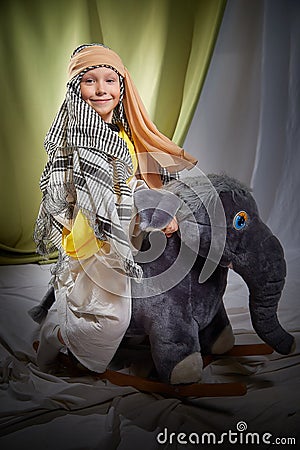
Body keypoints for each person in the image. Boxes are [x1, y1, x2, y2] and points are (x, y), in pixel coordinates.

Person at [33, 43, 197, 373]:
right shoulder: (78, 132)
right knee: (111, 322)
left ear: (122, 87)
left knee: (133, 302)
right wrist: (153, 204)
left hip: (125, 232)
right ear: (75, 87)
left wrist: (161, 198)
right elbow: (100, 188)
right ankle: (57, 333)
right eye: (89, 80)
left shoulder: (121, 131)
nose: (100, 89)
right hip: (93, 238)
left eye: (110, 80)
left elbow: (133, 175)